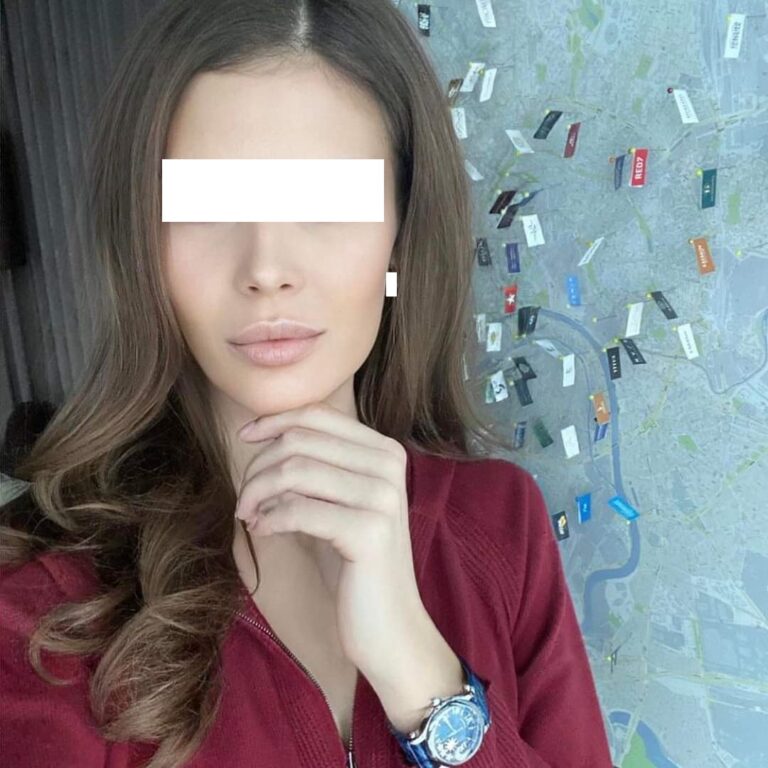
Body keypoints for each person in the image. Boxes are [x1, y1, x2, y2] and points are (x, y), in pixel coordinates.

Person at [0, 1, 614, 767]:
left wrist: (422, 677)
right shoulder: (40, 612)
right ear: (145, 243)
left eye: (326, 203)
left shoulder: (501, 523)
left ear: (399, 236)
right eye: (207, 206)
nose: (267, 270)